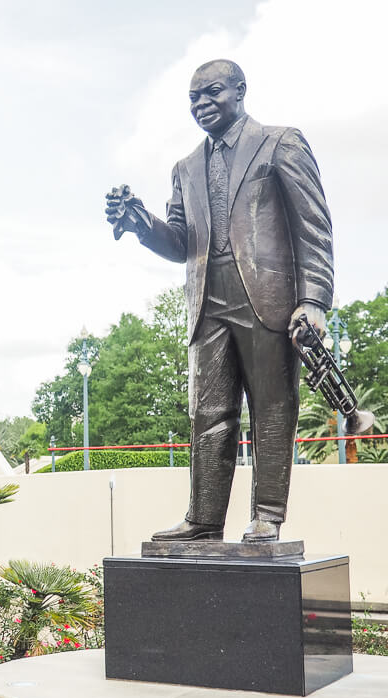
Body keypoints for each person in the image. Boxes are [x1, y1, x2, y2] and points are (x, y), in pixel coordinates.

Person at [105, 59, 333, 542]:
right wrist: (140, 223)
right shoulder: (185, 167)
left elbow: (312, 226)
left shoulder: (280, 143)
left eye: (211, 93)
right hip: (208, 301)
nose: (202, 105)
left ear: (240, 90)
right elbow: (181, 243)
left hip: (267, 299)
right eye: (193, 99)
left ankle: (268, 516)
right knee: (207, 413)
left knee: (272, 406)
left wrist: (313, 299)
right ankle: (203, 520)